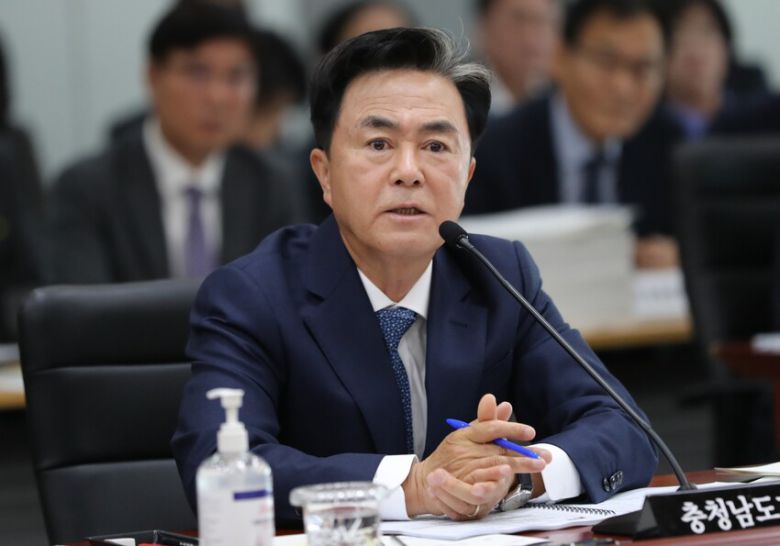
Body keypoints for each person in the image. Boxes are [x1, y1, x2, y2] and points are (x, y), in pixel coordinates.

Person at [172, 27, 657, 524]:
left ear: (467, 176)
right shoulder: (252, 295)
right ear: (324, 173)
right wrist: (412, 485)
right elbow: (217, 463)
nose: (409, 171)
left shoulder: (498, 276)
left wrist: (519, 474)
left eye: (436, 146)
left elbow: (625, 428)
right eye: (379, 143)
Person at [47, 3, 299, 284]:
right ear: (153, 77)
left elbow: (287, 293)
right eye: (197, 73)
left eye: (236, 77)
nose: (217, 97)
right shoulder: (88, 188)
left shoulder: (269, 184)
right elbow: (85, 303)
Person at [464, 0, 681, 269]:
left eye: (642, 68)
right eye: (606, 62)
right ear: (559, 57)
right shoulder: (495, 149)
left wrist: (678, 254)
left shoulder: (668, 143)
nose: (622, 87)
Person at [659, 0, 769, 139]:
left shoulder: (766, 117)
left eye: (707, 31)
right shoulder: (640, 129)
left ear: (727, 45)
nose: (695, 47)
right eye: (678, 33)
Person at [475, 0, 561, 116]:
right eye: (518, 20)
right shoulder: (462, 98)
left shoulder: (563, 104)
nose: (530, 39)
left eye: (540, 22)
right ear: (485, 26)